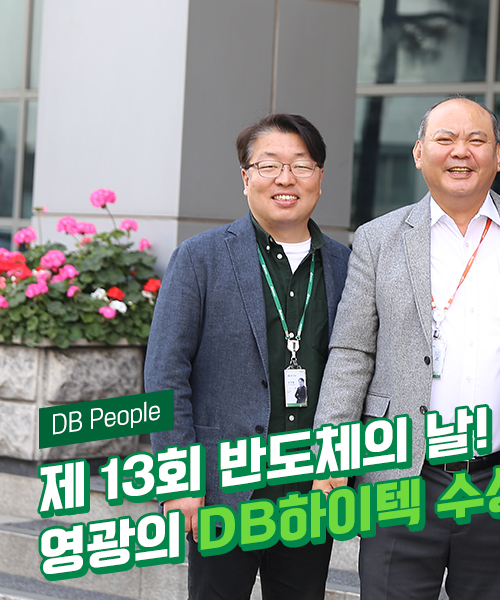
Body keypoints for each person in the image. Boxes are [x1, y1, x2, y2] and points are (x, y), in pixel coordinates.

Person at [313, 96, 500, 599]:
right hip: (401, 477)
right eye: (445, 139)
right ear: (418, 153)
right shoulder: (379, 239)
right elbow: (352, 352)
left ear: (498, 156)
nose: (461, 152)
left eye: (476, 140)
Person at [145, 113, 351, 600]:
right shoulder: (200, 257)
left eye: (301, 165)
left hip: (311, 489)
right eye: (269, 165)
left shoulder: (346, 264)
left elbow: (355, 369)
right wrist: (178, 479)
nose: (285, 178)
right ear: (245, 177)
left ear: (320, 176)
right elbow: (165, 374)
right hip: (224, 488)